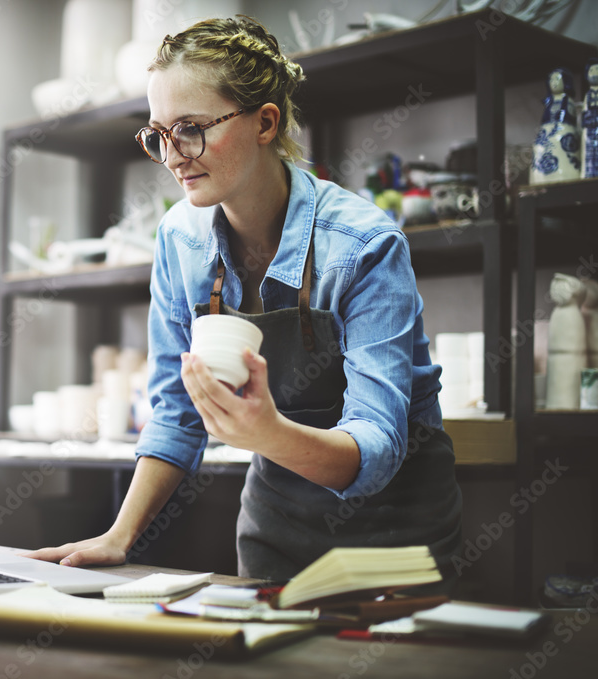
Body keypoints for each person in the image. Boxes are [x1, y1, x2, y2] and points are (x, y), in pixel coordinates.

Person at [27, 15, 462, 588]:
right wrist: (118, 537)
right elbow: (176, 414)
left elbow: (377, 448)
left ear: (265, 123)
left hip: (395, 540)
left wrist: (265, 433)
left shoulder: (362, 247)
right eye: (158, 134)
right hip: (276, 531)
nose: (174, 154)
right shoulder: (181, 240)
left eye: (191, 128)